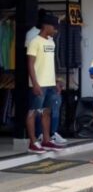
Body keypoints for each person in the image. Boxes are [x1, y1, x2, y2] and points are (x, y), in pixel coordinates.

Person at [26, 15, 64, 153]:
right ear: (45, 26)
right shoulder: (34, 42)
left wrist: (56, 81)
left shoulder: (51, 42)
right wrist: (35, 83)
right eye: (54, 27)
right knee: (33, 111)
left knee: (47, 112)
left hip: (50, 83)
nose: (55, 30)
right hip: (39, 83)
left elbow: (50, 64)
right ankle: (33, 142)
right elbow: (30, 63)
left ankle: (46, 140)